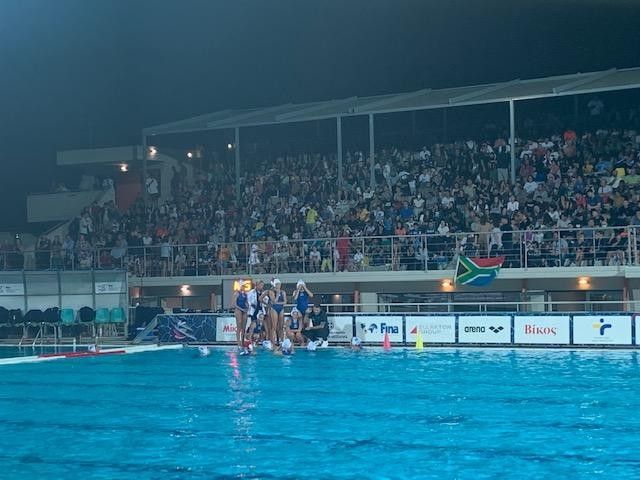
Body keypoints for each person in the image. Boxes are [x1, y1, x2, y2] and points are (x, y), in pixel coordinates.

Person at [269, 278, 287, 345]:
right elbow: (274, 301)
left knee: (281, 326)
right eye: (276, 284)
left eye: (279, 284)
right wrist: (277, 294)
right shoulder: (271, 292)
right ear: (274, 285)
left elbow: (285, 302)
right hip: (274, 309)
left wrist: (277, 303)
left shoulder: (283, 292)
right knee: (274, 326)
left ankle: (281, 341)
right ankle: (273, 341)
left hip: (281, 308)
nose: (278, 285)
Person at [232, 280, 249, 350]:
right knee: (239, 326)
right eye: (243, 286)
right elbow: (234, 304)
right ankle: (238, 342)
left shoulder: (245, 294)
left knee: (244, 327)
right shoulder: (236, 293)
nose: (244, 288)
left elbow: (246, 302)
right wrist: (242, 309)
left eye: (244, 286)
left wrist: (247, 307)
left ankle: (242, 342)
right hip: (238, 310)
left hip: (244, 310)